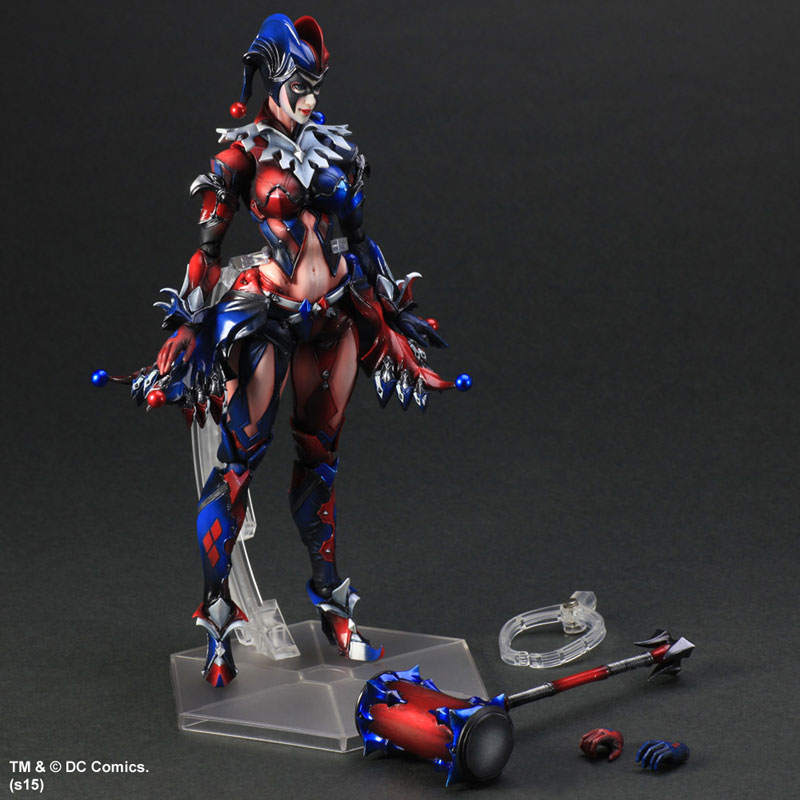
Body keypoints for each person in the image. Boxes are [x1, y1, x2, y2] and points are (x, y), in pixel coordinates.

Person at [109, 14, 470, 687]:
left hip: (332, 318)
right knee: (237, 465)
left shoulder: (335, 149)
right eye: (298, 85)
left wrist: (389, 309)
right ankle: (219, 619)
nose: (309, 98)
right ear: (270, 80)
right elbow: (207, 252)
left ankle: (333, 604)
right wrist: (189, 326)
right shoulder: (240, 158)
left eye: (315, 86)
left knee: (321, 462)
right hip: (268, 318)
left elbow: (359, 241)